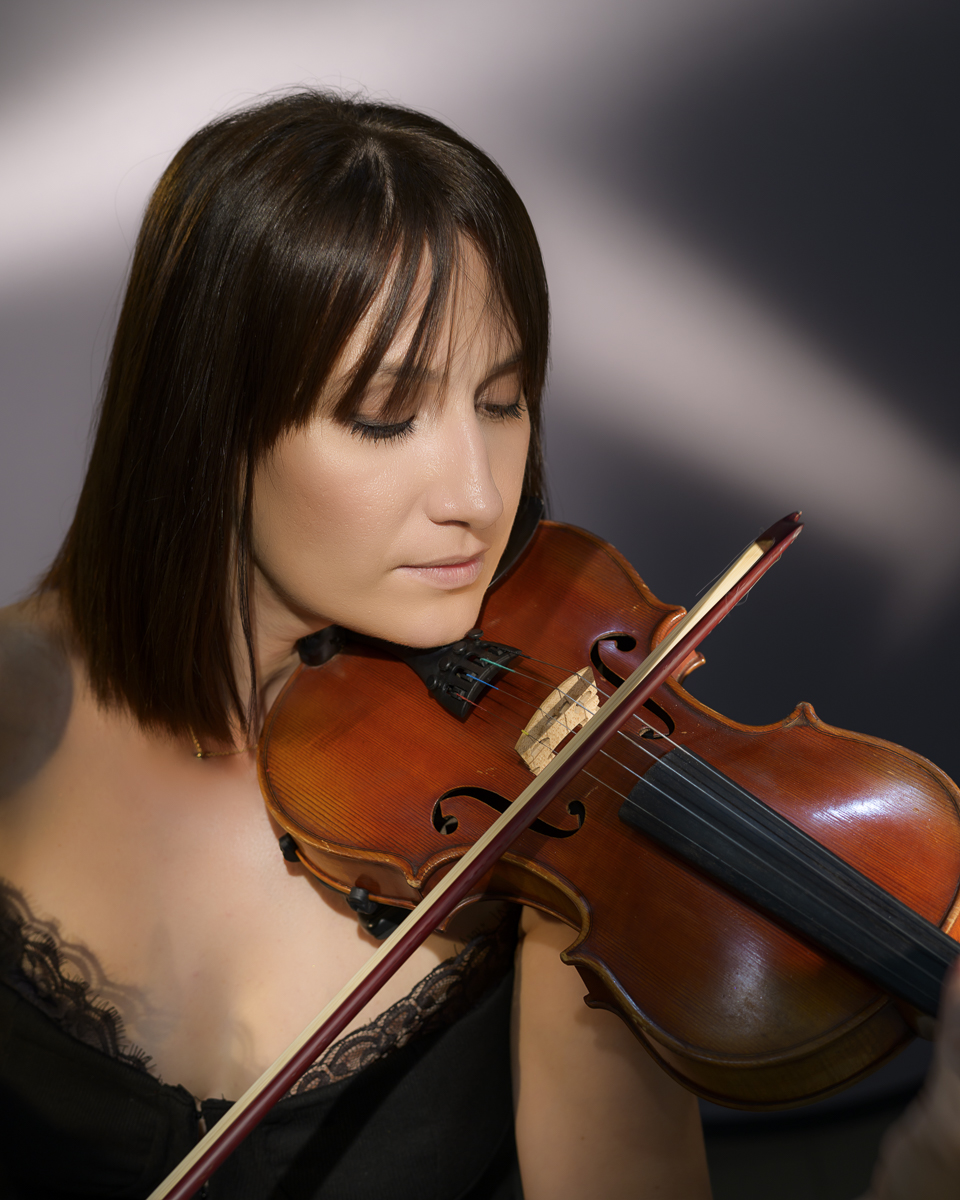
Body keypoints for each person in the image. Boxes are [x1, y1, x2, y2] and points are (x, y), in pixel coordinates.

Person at [0, 90, 955, 1199]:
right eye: (383, 417)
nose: (477, 493)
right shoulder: (15, 718)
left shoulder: (560, 857)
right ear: (208, 426)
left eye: (502, 404)